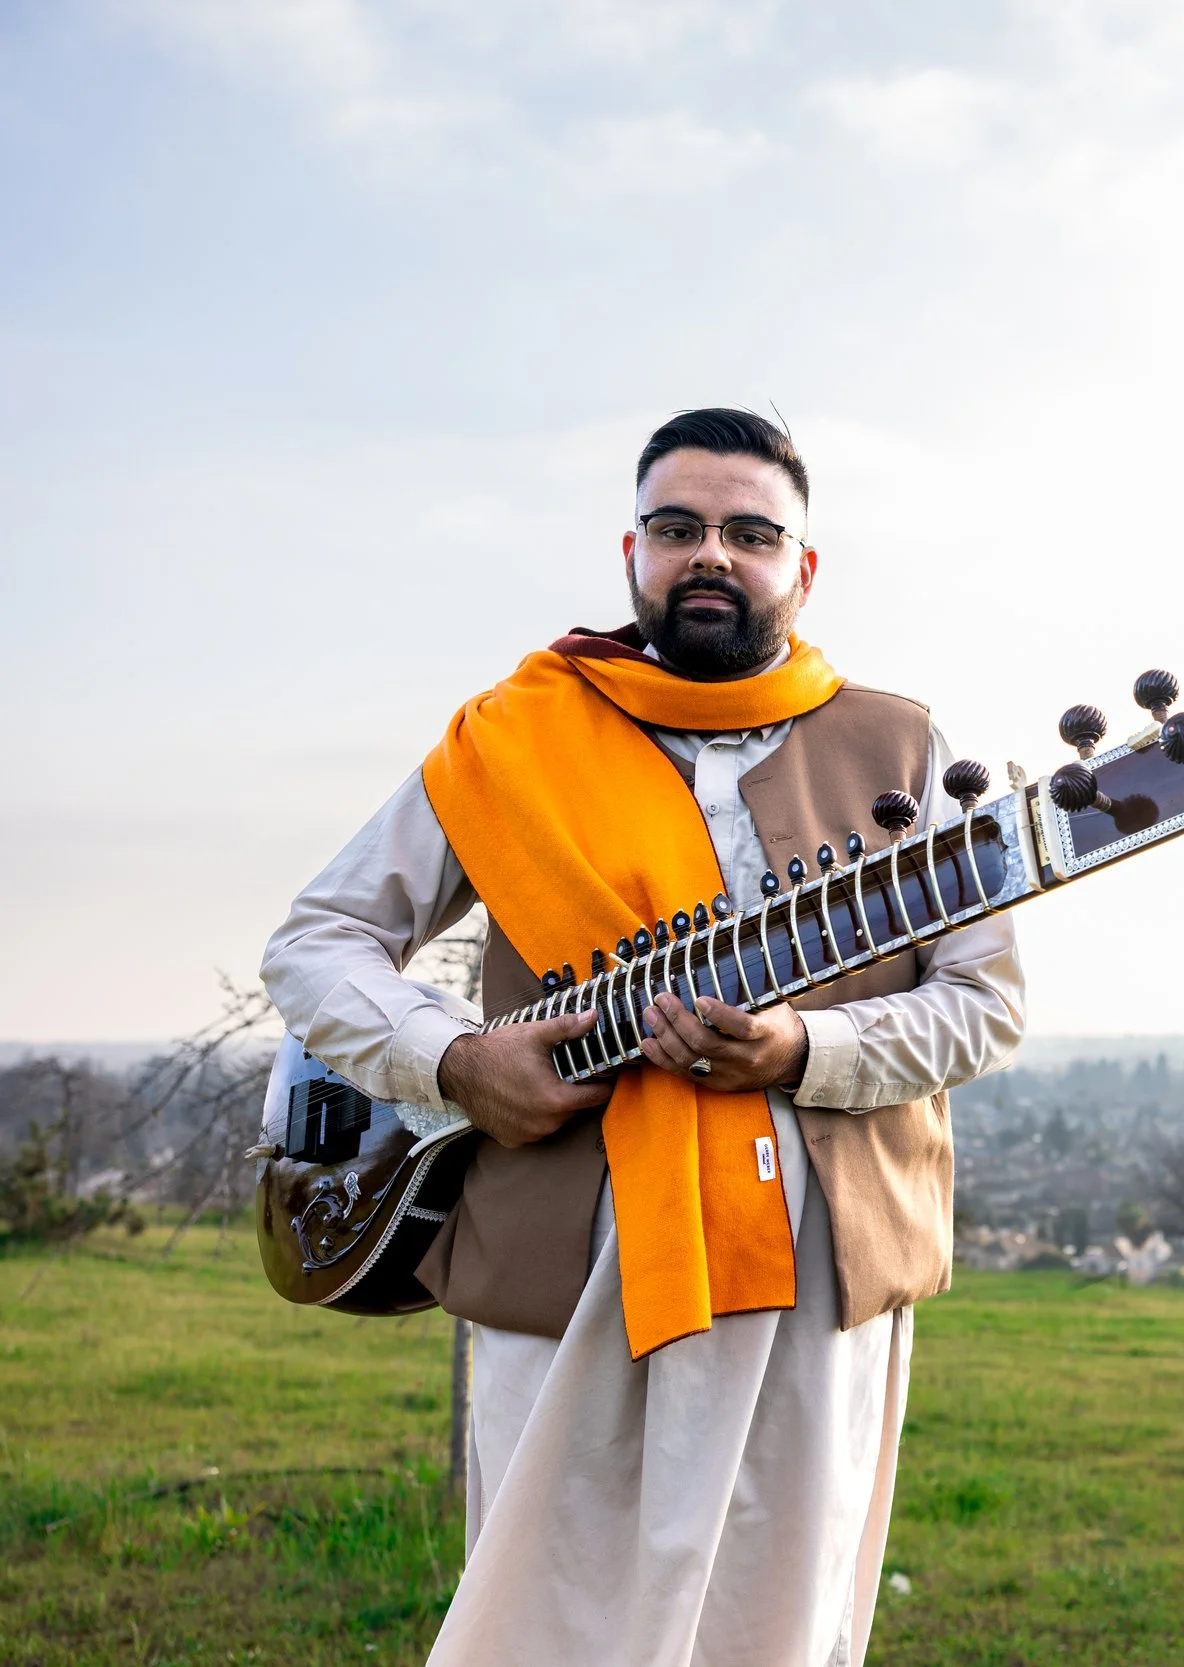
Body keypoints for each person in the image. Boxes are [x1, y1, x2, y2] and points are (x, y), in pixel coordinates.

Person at [262, 408, 1023, 1665]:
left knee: (777, 1619)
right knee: (552, 1617)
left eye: (749, 531)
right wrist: (452, 1059)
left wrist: (803, 1053)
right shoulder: (515, 738)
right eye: (678, 528)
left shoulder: (899, 743)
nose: (710, 553)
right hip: (573, 1255)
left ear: (803, 566)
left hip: (815, 1266)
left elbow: (984, 1002)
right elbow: (320, 937)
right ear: (633, 551)